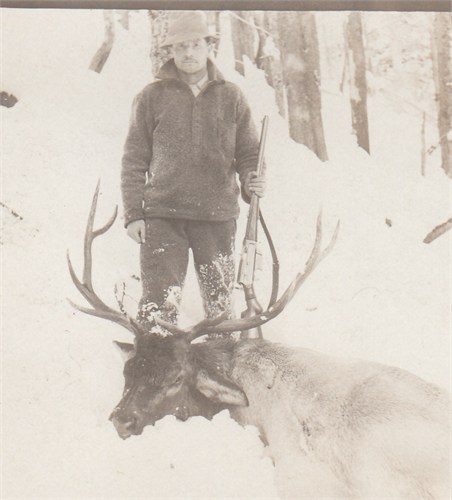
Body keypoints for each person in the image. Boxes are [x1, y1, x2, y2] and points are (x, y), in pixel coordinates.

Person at [121, 11, 265, 332]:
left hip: (217, 218)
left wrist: (252, 178)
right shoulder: (150, 97)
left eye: (195, 45)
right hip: (163, 219)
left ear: (208, 46)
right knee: (157, 313)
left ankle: (221, 377)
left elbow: (249, 153)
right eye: (181, 46)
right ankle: (159, 381)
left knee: (220, 313)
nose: (188, 53)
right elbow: (134, 159)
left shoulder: (232, 96)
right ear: (170, 51)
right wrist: (133, 214)